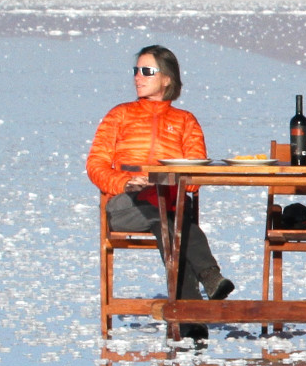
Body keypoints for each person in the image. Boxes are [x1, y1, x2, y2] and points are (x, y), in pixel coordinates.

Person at [89, 44, 234, 306]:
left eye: (146, 71)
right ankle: (209, 275)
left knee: (169, 216)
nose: (137, 77)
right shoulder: (119, 115)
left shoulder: (185, 121)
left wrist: (171, 180)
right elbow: (96, 164)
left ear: (167, 78)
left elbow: (195, 177)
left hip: (169, 202)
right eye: (136, 70)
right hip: (125, 204)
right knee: (171, 216)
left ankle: (189, 318)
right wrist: (126, 182)